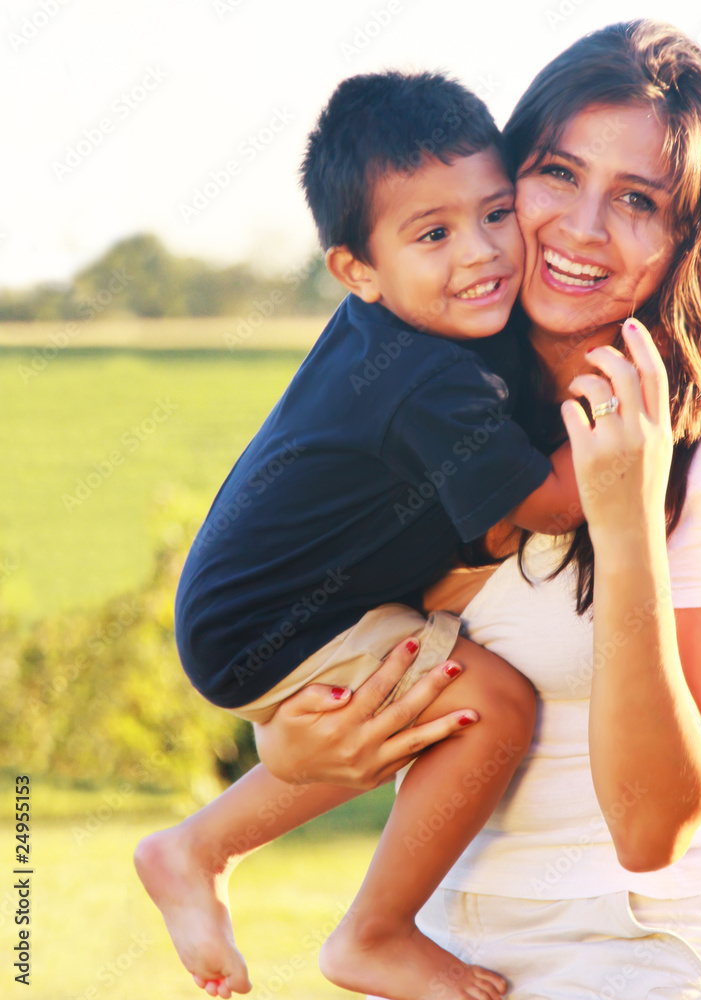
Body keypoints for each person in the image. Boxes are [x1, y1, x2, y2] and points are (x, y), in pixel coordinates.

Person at [249, 20, 701, 1000]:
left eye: (638, 199)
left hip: (649, 949)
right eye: (557, 173)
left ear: (688, 236)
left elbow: (652, 828)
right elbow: (355, 657)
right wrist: (291, 745)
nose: (583, 227)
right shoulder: (431, 409)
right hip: (449, 949)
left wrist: (626, 522)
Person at [134, 70, 587, 1000]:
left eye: (496, 214)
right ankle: (373, 935)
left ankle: (192, 849)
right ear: (358, 271)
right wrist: (650, 417)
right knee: (492, 707)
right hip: (269, 622)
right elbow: (548, 501)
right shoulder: (423, 374)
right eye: (433, 234)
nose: (481, 254)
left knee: (406, 692)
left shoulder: (424, 330)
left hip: (266, 600)